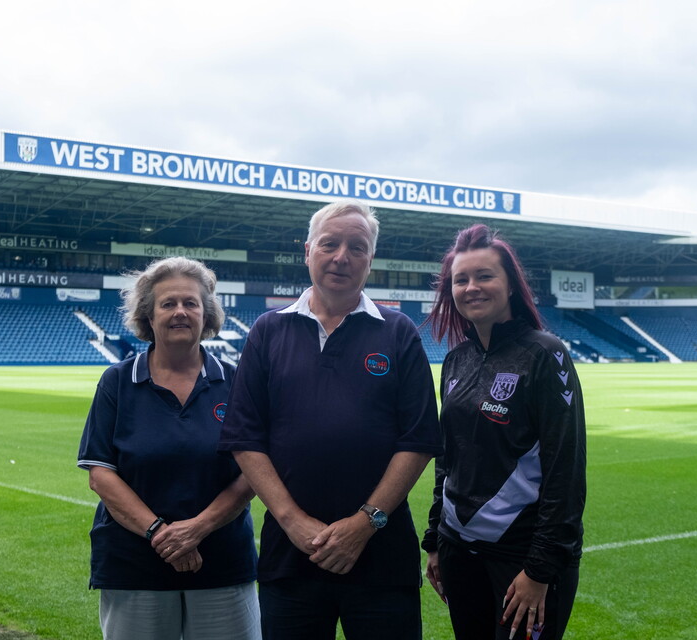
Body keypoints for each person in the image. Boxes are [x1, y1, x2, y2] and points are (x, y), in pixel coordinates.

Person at [219, 200, 442, 640]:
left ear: (370, 259)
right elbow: (245, 436)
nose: (342, 256)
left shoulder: (399, 333)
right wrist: (292, 521)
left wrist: (365, 523)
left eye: (356, 247)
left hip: (382, 556)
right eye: (330, 243)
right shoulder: (268, 330)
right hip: (291, 558)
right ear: (307, 251)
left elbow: (417, 440)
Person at [77, 256, 260, 640]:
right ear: (149, 314)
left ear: (206, 313)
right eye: (168, 303)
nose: (180, 312)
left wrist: (198, 528)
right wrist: (161, 533)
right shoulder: (117, 382)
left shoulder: (237, 380)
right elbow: (100, 474)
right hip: (134, 565)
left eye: (191, 303)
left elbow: (254, 470)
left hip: (222, 561)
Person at [421, 224, 586, 640]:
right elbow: (448, 458)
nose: (471, 287)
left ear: (510, 284)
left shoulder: (545, 355)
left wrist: (540, 570)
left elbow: (565, 470)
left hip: (522, 558)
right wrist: (436, 540)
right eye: (461, 279)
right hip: (459, 551)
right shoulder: (455, 360)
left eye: (484, 276)